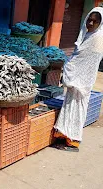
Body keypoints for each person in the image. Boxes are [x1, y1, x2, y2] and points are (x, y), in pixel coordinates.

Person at [54, 7, 103, 152]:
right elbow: (78, 57)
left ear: (100, 23)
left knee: (77, 110)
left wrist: (69, 67)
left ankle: (74, 140)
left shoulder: (97, 38)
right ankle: (65, 136)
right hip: (76, 81)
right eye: (89, 19)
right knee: (70, 107)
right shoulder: (88, 35)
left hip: (81, 83)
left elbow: (86, 61)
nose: (91, 23)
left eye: (95, 21)